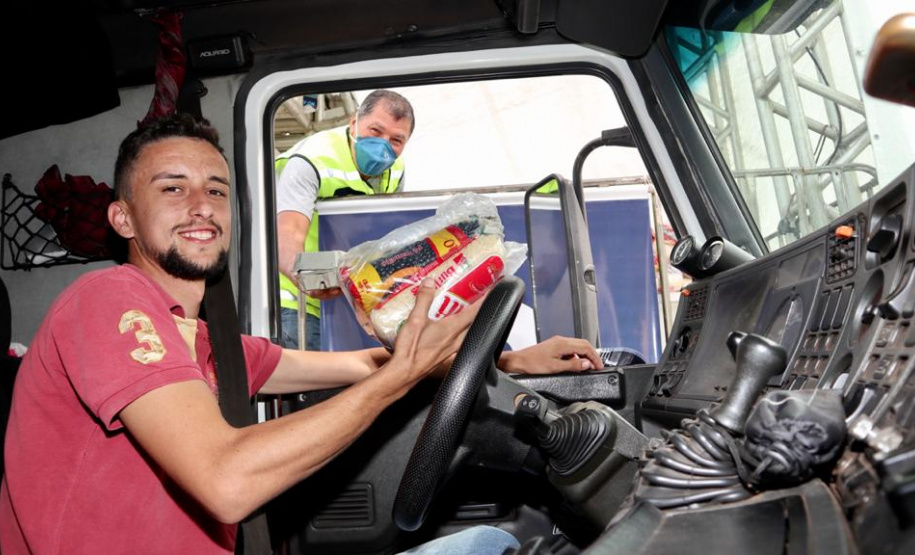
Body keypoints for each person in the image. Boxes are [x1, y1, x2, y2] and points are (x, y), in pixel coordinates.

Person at [0, 113, 603, 554]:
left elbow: (364, 366)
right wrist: (398, 379)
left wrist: (513, 363)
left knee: (490, 544)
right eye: (172, 188)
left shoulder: (207, 343)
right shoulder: (108, 300)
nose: (201, 205)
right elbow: (227, 481)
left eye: (216, 190)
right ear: (123, 217)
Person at [275, 89, 413, 351]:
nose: (384, 145)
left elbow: (389, 234)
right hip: (296, 302)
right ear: (353, 123)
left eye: (396, 139)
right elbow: (287, 236)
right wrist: (312, 282)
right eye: (375, 130)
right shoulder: (311, 161)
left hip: (351, 300)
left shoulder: (396, 169)